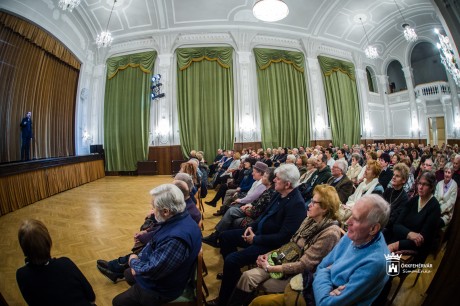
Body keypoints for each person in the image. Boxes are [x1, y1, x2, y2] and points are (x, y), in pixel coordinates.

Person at [206, 164, 307, 306]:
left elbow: (283, 238)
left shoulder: (297, 205)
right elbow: (264, 214)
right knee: (224, 237)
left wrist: (255, 238)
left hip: (269, 244)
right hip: (258, 233)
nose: (274, 180)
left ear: (287, 184)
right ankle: (234, 276)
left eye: (277, 179)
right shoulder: (279, 193)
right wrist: (250, 227)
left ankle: (223, 301)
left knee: (231, 260)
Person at [228, 185, 342, 305]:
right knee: (247, 276)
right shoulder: (309, 220)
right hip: (285, 261)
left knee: (258, 287)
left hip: (300, 276)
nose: (309, 204)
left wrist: (270, 268)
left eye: (314, 202)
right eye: (311, 201)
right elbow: (291, 245)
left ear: (325, 208)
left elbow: (304, 265)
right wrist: (268, 255)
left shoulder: (330, 233)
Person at [113, 184, 202, 306]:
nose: (152, 210)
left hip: (163, 289)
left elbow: (152, 271)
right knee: (128, 274)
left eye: (154, 207)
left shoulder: (176, 240)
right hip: (164, 272)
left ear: (166, 211)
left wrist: (133, 261)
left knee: (118, 302)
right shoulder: (181, 216)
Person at [312, 194, 390, 305]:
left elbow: (327, 303)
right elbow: (321, 267)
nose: (348, 221)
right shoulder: (354, 235)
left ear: (373, 229)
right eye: (350, 214)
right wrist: (326, 272)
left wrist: (328, 271)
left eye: (356, 218)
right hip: (319, 291)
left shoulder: (375, 262)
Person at [16, 219, 96, 305]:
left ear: (23, 246)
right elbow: (91, 297)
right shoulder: (65, 264)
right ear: (48, 241)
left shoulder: (22, 275)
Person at [202, 167, 275, 248]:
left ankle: (216, 236)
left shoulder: (267, 191)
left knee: (231, 210)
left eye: (264, 176)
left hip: (254, 216)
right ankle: (217, 236)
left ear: (271, 180)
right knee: (231, 208)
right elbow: (255, 201)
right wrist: (249, 205)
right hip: (250, 207)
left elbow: (256, 210)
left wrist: (246, 207)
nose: (262, 178)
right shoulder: (266, 189)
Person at [388, 171, 441, 263]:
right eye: (419, 183)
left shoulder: (434, 207)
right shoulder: (413, 200)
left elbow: (422, 240)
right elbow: (396, 225)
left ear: (431, 187)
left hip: (415, 250)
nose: (420, 187)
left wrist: (395, 245)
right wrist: (409, 234)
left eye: (425, 185)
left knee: (386, 266)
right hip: (400, 239)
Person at [383, 163, 409, 240]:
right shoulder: (388, 190)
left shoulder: (404, 198)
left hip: (389, 230)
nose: (393, 177)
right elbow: (379, 207)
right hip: (380, 222)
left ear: (403, 180)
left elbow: (393, 220)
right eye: (394, 175)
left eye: (397, 176)